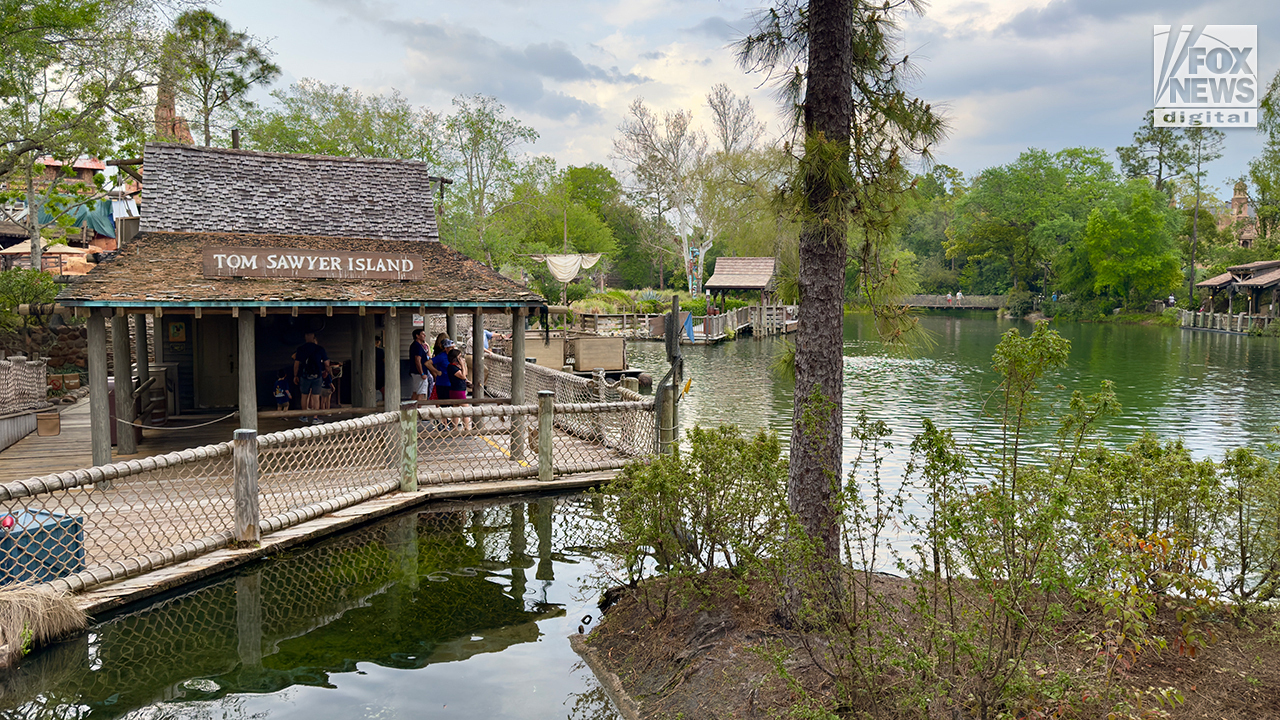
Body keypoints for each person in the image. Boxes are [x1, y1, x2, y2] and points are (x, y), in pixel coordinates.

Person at [293, 332, 330, 423]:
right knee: (316, 397)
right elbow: (326, 363)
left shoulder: (301, 349)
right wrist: (326, 372)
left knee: (304, 396)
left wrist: (295, 375)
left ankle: (304, 416)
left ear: (305, 338)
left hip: (304, 376)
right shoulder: (320, 349)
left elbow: (296, 364)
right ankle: (315, 418)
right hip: (317, 376)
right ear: (314, 338)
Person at [446, 347, 471, 430]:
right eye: (459, 357)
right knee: (465, 410)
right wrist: (462, 365)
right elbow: (463, 376)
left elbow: (465, 373)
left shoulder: (456, 366)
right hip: (457, 391)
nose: (461, 358)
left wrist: (464, 365)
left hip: (457, 390)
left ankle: (455, 428)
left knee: (456, 410)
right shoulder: (452, 367)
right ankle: (466, 428)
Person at [409, 328, 437, 403]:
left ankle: (411, 407)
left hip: (415, 372)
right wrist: (422, 373)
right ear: (417, 336)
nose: (424, 336)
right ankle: (418, 407)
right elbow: (417, 360)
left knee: (415, 392)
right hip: (419, 373)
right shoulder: (417, 346)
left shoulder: (417, 345)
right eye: (422, 334)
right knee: (421, 392)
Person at [374, 335, 385, 403]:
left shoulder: (366, 351)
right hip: (380, 370)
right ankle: (384, 401)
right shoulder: (380, 351)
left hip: (369, 371)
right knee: (383, 388)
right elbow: (384, 360)